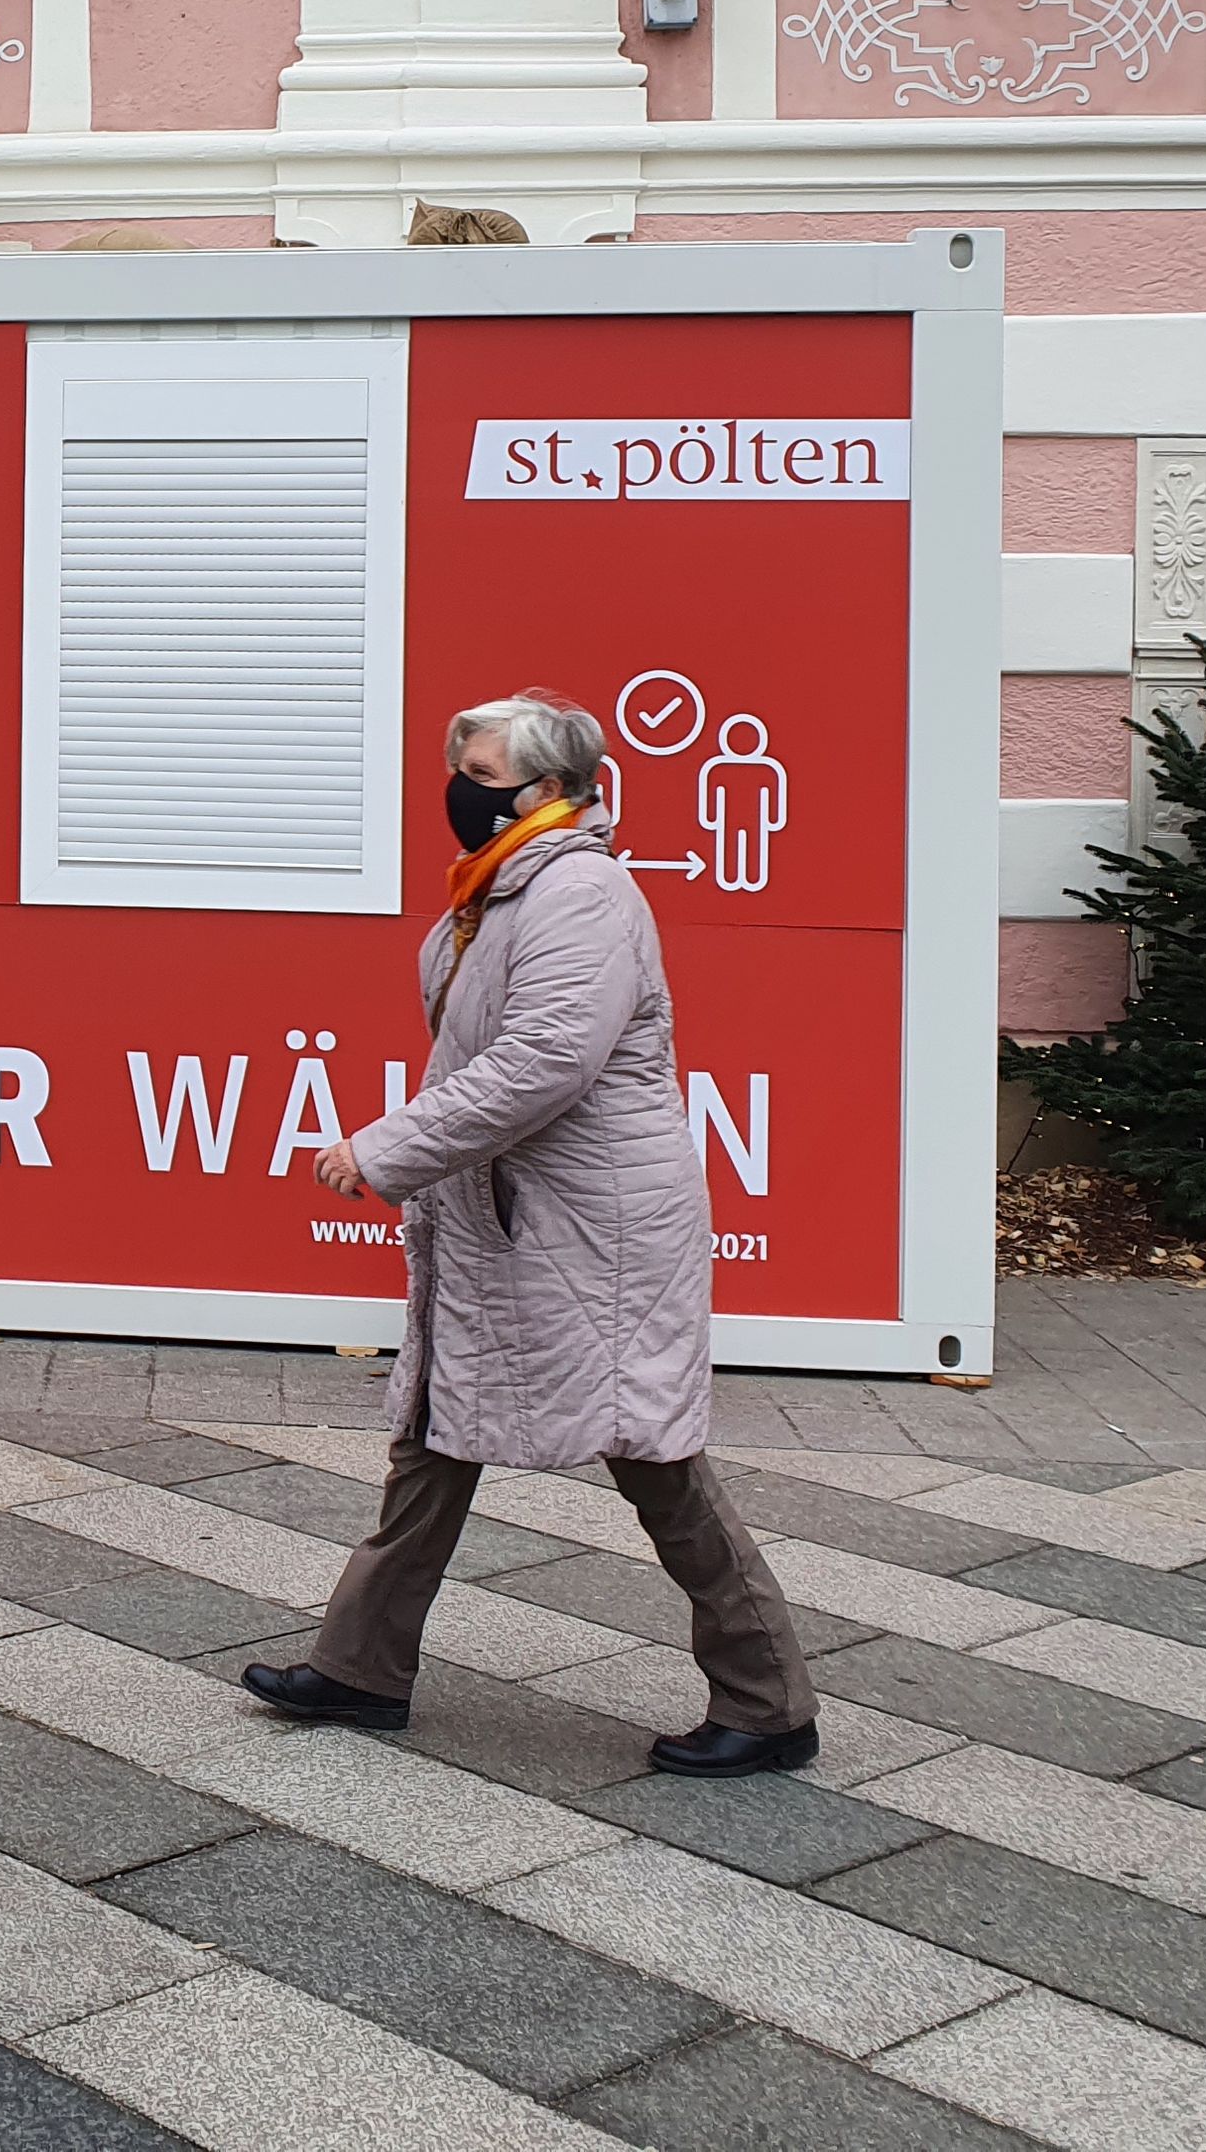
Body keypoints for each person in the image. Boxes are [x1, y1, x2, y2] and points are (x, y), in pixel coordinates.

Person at [242, 690, 816, 1774]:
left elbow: (547, 1060)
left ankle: (770, 1701)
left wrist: (386, 1149)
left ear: (551, 790)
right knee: (432, 1437)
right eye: (458, 766)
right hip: (513, 1219)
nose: (461, 789)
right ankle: (360, 1667)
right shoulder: (499, 892)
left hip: (588, 1231)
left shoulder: (579, 891)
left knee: (653, 1457)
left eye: (485, 773)